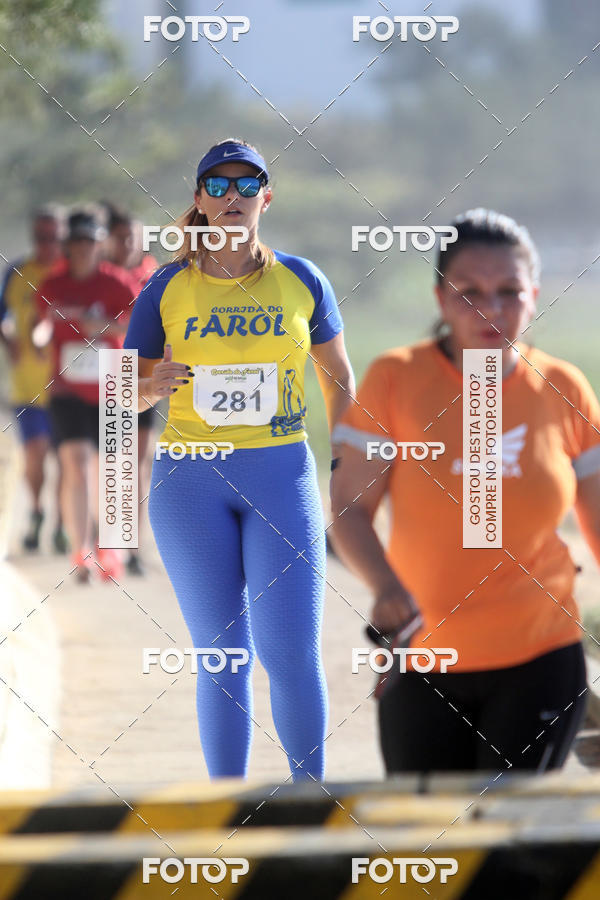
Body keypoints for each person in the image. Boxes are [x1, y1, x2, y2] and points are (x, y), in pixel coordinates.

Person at [331, 209, 600, 773]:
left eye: (509, 291)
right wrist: (384, 587)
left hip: (542, 654)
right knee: (428, 846)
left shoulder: (564, 387)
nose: (491, 309)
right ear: (440, 298)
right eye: (469, 292)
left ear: (534, 294)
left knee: (506, 840)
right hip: (423, 657)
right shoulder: (396, 380)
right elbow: (351, 512)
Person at [124, 138, 354, 780]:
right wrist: (150, 385)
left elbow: (336, 377)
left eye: (246, 186)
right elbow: (123, 393)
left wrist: (348, 459)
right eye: (217, 187)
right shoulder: (165, 286)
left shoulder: (303, 279)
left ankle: (308, 803)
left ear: (266, 199)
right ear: (198, 201)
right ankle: (226, 809)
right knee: (222, 655)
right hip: (190, 483)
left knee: (291, 651)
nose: (233, 198)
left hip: (280, 475)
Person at [35, 207, 137, 582]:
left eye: (90, 242)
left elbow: (140, 323)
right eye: (76, 242)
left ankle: (112, 550)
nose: (83, 249)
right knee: (74, 463)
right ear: (68, 246)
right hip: (66, 388)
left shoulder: (117, 282)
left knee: (112, 470)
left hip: (114, 385)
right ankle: (81, 549)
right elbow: (39, 327)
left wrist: (106, 325)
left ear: (100, 245)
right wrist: (42, 332)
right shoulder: (53, 284)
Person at [0, 204, 68, 553]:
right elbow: (3, 314)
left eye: (54, 237)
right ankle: (38, 512)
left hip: (66, 386)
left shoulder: (72, 274)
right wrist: (9, 340)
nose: (47, 244)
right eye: (41, 238)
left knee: (67, 460)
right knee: (35, 456)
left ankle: (61, 523)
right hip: (27, 385)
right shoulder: (17, 272)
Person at [103, 204, 159, 576]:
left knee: (138, 461)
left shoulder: (152, 272)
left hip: (143, 372)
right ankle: (105, 541)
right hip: (106, 372)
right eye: (122, 237)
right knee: (109, 460)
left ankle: (131, 545)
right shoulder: (99, 273)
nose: (129, 244)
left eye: (134, 237)